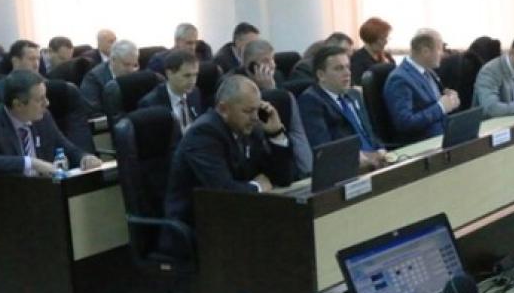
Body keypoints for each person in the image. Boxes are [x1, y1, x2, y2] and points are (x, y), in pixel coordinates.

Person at [164, 75, 293, 227]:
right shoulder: (204, 134)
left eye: (257, 110)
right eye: (248, 111)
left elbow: (283, 178)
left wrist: (276, 133)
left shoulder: (250, 128)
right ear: (223, 109)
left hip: (236, 216)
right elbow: (224, 191)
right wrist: (258, 187)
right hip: (197, 226)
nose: (255, 118)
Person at [0, 70, 101, 176]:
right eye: (39, 99)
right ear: (18, 105)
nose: (47, 103)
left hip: (45, 186)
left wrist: (84, 157)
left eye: (45, 97)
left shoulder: (44, 116)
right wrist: (31, 163)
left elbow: (65, 146)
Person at [298, 45, 386, 170]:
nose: (347, 73)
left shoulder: (354, 95)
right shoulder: (311, 101)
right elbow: (324, 149)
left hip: (376, 163)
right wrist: (362, 157)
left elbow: (370, 132)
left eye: (347, 67)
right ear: (321, 75)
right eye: (339, 68)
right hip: (349, 169)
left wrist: (381, 149)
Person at [238, 39, 312, 177]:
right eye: (266, 61)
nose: (272, 65)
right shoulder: (238, 84)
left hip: (284, 133)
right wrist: (268, 91)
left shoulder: (276, 76)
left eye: (272, 59)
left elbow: (282, 106)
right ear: (252, 66)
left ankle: (307, 171)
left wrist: (271, 89)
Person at [383, 29, 460, 142]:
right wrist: (441, 108)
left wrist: (450, 101)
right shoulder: (399, 79)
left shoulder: (428, 71)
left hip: (443, 136)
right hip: (423, 142)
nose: (442, 54)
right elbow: (404, 123)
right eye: (439, 49)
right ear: (425, 51)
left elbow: (435, 103)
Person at [138, 49, 202, 134]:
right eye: (187, 76)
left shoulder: (194, 93)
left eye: (195, 75)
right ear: (169, 74)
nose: (193, 81)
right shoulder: (150, 103)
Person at [80, 39, 140, 113]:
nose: (131, 70)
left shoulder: (136, 75)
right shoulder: (93, 79)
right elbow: (93, 113)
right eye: (126, 65)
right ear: (113, 60)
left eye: (135, 65)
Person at [0, 39, 42, 108]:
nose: (36, 64)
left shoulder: (43, 85)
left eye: (38, 59)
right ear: (15, 61)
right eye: (31, 59)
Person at [350, 17, 395, 84]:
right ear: (370, 39)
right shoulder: (357, 59)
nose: (386, 42)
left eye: (386, 38)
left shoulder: (387, 56)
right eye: (382, 39)